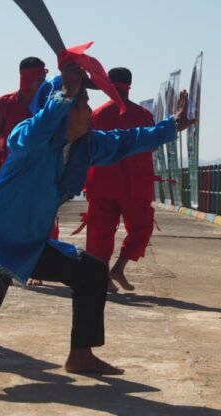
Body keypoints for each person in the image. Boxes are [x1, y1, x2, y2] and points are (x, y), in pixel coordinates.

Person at [0, 48, 194, 394]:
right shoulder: (29, 138)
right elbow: (38, 125)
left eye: (83, 103)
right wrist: (65, 93)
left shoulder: (86, 146)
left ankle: (81, 354)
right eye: (81, 105)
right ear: (61, 108)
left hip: (31, 244)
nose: (88, 111)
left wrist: (172, 126)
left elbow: (129, 140)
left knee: (92, 271)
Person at [83, 67, 157, 292]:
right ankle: (119, 267)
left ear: (108, 84)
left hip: (102, 182)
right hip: (134, 184)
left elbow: (86, 149)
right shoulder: (143, 115)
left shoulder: (96, 115)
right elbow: (153, 143)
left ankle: (104, 276)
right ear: (129, 85)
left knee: (100, 231)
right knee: (142, 227)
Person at [0, 56, 47, 178]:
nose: (42, 83)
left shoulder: (48, 105)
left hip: (40, 172)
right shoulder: (2, 104)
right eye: (38, 79)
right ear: (26, 79)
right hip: (10, 171)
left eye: (43, 79)